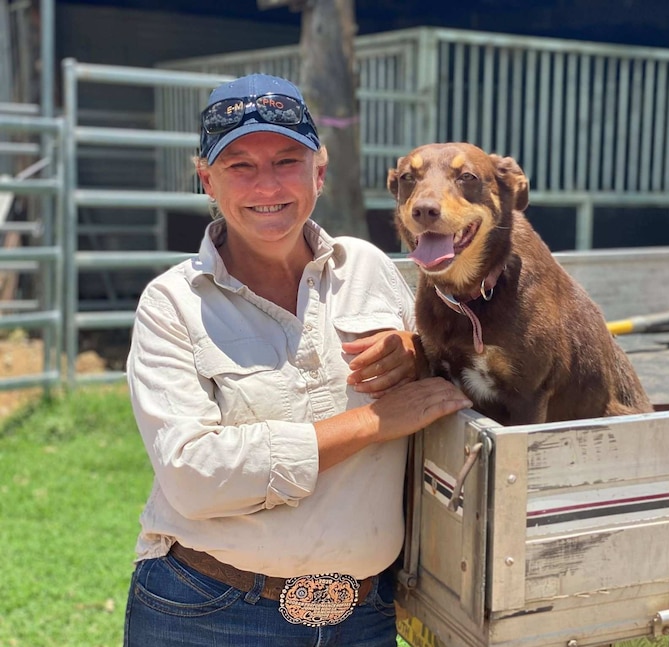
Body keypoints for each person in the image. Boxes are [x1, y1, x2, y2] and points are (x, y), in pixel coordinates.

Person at [123, 73, 472, 646]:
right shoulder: (172, 302)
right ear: (207, 180)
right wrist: (372, 422)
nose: (267, 184)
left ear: (320, 171)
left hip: (363, 614)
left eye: (287, 160)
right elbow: (194, 476)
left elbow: (448, 382)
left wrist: (417, 353)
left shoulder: (370, 269)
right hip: (212, 612)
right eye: (240, 166)